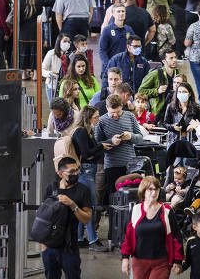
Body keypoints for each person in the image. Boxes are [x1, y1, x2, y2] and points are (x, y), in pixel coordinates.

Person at [120, 175, 184, 279]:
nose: (154, 192)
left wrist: (178, 260)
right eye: (150, 189)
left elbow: (176, 236)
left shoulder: (167, 211)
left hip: (162, 262)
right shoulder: (135, 210)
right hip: (139, 262)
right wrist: (125, 258)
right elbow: (126, 237)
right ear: (143, 191)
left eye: (156, 189)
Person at [41, 156, 93, 279]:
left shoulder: (82, 190)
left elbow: (87, 219)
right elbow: (43, 217)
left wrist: (72, 204)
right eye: (71, 172)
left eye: (77, 170)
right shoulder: (51, 188)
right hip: (50, 245)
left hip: (69, 246)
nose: (75, 174)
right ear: (60, 173)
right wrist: (43, 245)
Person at [71, 105, 110, 252]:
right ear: (87, 118)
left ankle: (80, 238)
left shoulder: (88, 131)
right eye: (95, 117)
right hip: (85, 172)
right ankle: (93, 240)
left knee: (83, 205)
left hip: (89, 171)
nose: (98, 119)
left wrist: (98, 149)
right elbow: (87, 153)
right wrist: (101, 147)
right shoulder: (81, 132)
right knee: (90, 207)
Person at [95, 94, 144, 202]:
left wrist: (131, 136)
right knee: (114, 198)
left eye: (118, 112)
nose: (115, 115)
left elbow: (140, 138)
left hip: (131, 164)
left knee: (132, 198)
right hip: (112, 165)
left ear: (122, 106)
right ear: (107, 108)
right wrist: (111, 142)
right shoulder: (101, 121)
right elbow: (96, 145)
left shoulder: (130, 116)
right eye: (112, 113)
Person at [138, 48, 179, 121]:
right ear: (164, 61)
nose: (174, 60)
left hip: (174, 111)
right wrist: (157, 91)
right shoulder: (155, 74)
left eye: (175, 57)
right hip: (158, 113)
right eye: (171, 58)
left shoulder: (177, 73)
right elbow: (141, 91)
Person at [163, 82, 200, 151]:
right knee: (175, 161)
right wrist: (173, 127)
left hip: (190, 140)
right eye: (179, 92)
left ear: (189, 94)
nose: (181, 94)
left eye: (184, 92)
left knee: (187, 161)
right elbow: (165, 123)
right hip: (173, 140)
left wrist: (194, 126)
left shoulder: (196, 107)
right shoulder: (171, 106)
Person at [99, 3, 134, 76]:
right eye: (118, 11)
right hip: (110, 69)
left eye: (123, 11)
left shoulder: (129, 29)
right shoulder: (107, 30)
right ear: (113, 14)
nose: (121, 13)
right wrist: (109, 65)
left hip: (125, 69)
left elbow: (134, 47)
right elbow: (102, 50)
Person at [18, 0, 39, 79]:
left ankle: (23, 74)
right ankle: (35, 74)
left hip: (22, 31)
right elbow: (41, 10)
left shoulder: (19, 1)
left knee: (23, 52)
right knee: (34, 52)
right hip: (34, 30)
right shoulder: (36, 0)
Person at [42, 34, 71, 104]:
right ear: (59, 42)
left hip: (66, 88)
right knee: (54, 109)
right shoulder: (51, 53)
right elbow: (42, 69)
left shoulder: (69, 55)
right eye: (64, 41)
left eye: (68, 42)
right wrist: (50, 73)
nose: (67, 44)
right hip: (52, 86)